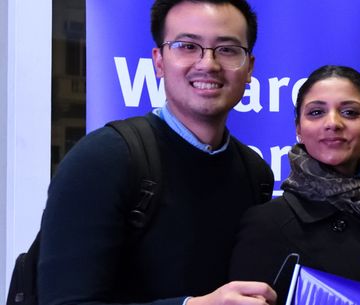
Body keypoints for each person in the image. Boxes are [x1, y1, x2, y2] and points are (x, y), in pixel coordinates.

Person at [38, 0, 277, 304]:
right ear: (159, 61)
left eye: (228, 49)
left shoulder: (254, 173)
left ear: (249, 69)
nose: (208, 64)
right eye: (187, 46)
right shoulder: (103, 159)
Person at [229, 65, 360, 299]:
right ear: (298, 129)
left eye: (350, 112)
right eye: (316, 112)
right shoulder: (267, 223)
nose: (333, 123)